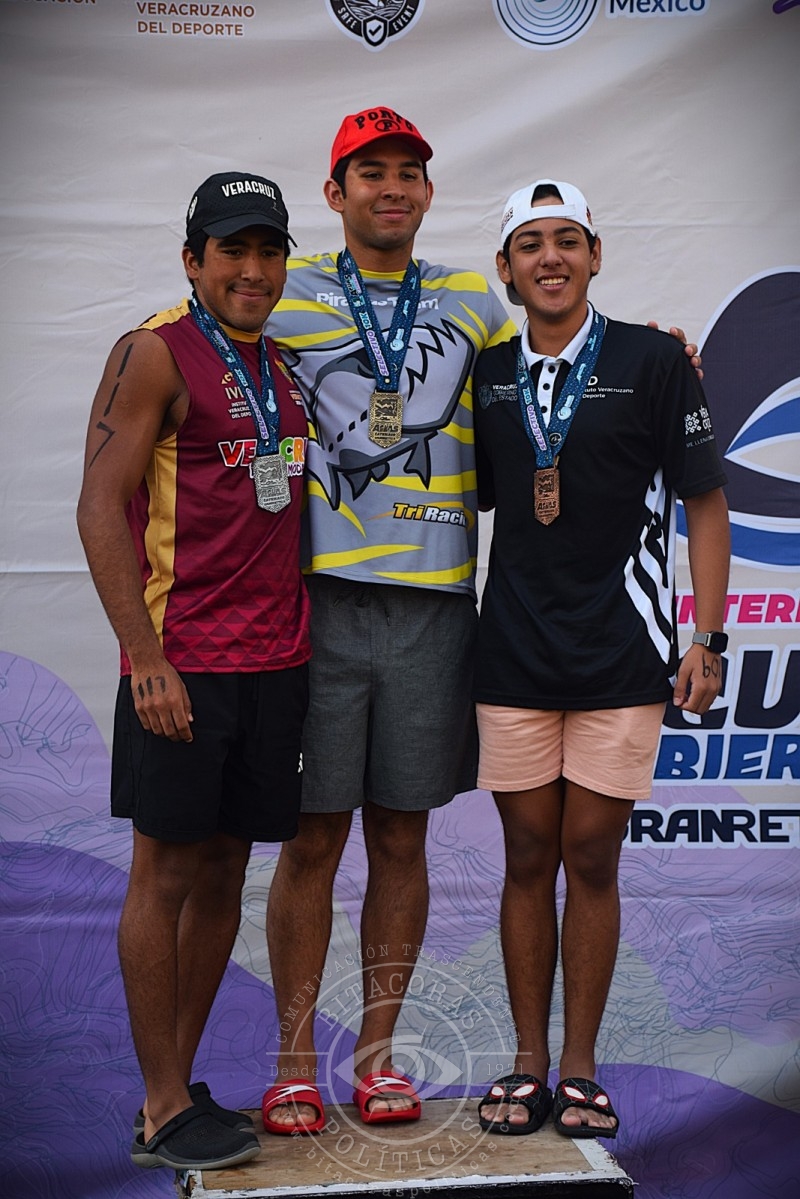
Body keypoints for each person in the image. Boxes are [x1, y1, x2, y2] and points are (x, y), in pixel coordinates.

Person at [260, 105, 518, 1133]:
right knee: (313, 837)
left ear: (427, 191)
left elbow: (544, 389)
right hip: (317, 594)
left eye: (409, 171)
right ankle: (291, 1064)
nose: (393, 187)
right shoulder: (283, 290)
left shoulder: (473, 299)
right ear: (335, 193)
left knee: (402, 835)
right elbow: (188, 355)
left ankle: (378, 1058)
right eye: (371, 172)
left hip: (434, 598)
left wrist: (661, 353)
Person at [473, 180, 730, 1140]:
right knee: (525, 854)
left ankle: (579, 1065)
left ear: (594, 255)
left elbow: (705, 502)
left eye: (568, 240)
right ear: (506, 268)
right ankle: (526, 1062)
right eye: (530, 243)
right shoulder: (485, 374)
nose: (551, 257)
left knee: (590, 852)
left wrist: (708, 635)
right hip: (512, 651)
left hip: (625, 651)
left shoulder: (654, 360)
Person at [76, 173, 310, 1170]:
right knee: (164, 871)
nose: (252, 270)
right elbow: (98, 505)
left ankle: (165, 1091)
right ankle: (165, 1100)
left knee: (223, 871)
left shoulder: (282, 361)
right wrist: (145, 659)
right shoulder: (154, 352)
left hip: (276, 660)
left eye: (268, 251)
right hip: (183, 663)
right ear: (192, 259)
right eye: (231, 250)